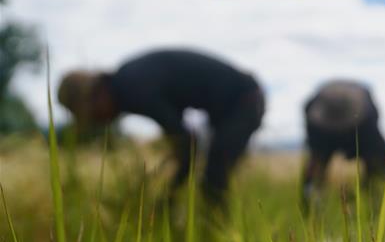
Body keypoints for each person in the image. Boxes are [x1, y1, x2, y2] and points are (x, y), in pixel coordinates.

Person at [57, 49, 265, 204]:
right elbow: (183, 135)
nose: (98, 121)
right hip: (235, 103)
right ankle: (210, 237)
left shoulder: (133, 88)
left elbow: (187, 144)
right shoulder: (129, 79)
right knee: (213, 178)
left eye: (93, 115)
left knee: (214, 180)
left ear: (97, 95)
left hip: (244, 101)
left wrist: (167, 198)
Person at [302, 80, 385, 202]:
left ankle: (371, 199)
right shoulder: (315, 116)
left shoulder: (367, 117)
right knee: (316, 164)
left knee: (377, 164)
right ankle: (311, 202)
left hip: (360, 126)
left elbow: (381, 160)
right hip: (324, 128)